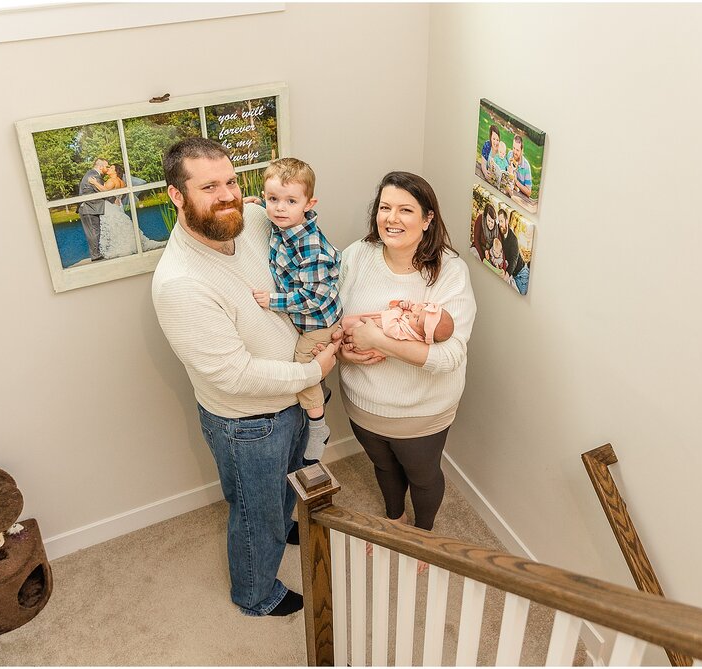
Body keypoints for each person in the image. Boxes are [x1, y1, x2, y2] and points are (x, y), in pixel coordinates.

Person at [151, 138, 338, 618]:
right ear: (177, 196)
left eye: (231, 181)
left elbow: (300, 239)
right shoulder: (180, 284)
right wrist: (311, 371)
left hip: (294, 396)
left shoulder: (255, 219)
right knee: (254, 517)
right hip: (250, 423)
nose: (228, 195)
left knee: (285, 485)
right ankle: (256, 594)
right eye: (209, 186)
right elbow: (234, 375)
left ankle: (284, 521)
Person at [336, 171, 476, 540]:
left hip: (421, 410)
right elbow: (332, 321)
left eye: (405, 210)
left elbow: (448, 358)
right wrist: (347, 354)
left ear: (428, 219)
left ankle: (423, 535)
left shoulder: (450, 272)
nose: (391, 218)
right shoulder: (357, 256)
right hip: (363, 401)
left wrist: (378, 341)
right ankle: (395, 519)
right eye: (385, 208)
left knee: (423, 477)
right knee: (382, 466)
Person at [252, 158, 341, 464]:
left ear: (309, 203)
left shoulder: (309, 247)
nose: (279, 208)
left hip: (318, 320)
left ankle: (318, 426)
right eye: (272, 199)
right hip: (306, 318)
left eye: (290, 201)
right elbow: (269, 213)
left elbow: (312, 298)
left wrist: (272, 301)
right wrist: (253, 205)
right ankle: (320, 394)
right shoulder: (283, 224)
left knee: (304, 366)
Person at [342, 299, 454, 344]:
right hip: (369, 326)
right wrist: (402, 304)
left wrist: (398, 310)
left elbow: (389, 327)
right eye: (420, 310)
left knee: (352, 329)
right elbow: (391, 305)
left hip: (369, 332)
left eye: (417, 319)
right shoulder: (414, 318)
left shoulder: (407, 333)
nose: (414, 313)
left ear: (422, 335)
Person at [89, 163, 136, 259]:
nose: (109, 169)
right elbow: (123, 195)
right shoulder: (122, 182)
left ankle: (120, 248)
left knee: (113, 227)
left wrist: (94, 183)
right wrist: (117, 198)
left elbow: (105, 190)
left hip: (110, 207)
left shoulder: (112, 180)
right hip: (118, 206)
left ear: (115, 171)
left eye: (111, 168)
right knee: (119, 227)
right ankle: (127, 246)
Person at [77, 157, 109, 262]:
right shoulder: (94, 176)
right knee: (93, 231)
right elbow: (103, 192)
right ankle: (95, 255)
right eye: (106, 166)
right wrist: (114, 200)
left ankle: (96, 253)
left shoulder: (91, 174)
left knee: (94, 231)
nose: (107, 168)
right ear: (100, 167)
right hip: (88, 208)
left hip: (90, 208)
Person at [499, 208, 530, 295]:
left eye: (502, 221)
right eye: (499, 221)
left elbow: (514, 260)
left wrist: (506, 276)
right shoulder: (500, 232)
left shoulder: (513, 239)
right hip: (512, 273)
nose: (500, 224)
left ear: (506, 221)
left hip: (521, 274)